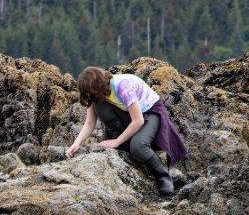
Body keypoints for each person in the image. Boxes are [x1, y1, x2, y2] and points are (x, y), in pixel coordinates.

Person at [66, 66, 187, 195]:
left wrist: (117, 141)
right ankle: (125, 143)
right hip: (130, 115)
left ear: (98, 87)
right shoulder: (95, 95)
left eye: (90, 93)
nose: (89, 97)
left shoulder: (123, 87)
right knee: (100, 107)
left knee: (138, 146)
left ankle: (163, 176)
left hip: (150, 112)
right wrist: (76, 143)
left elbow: (138, 120)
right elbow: (90, 123)